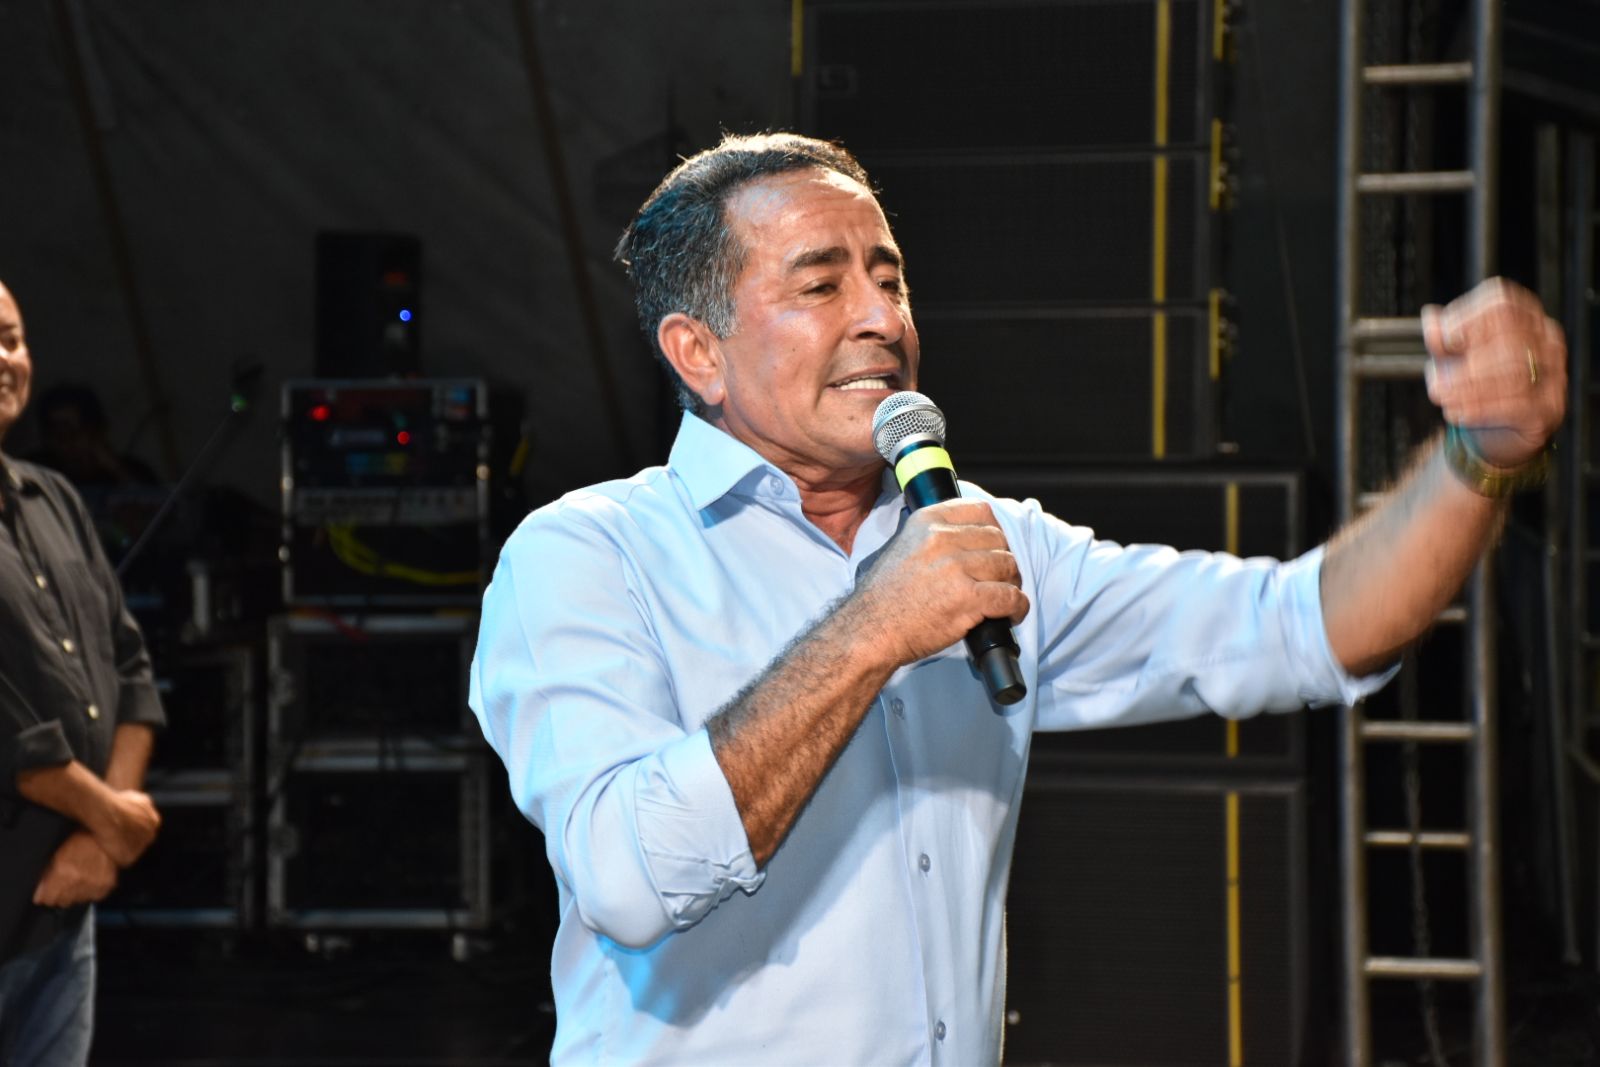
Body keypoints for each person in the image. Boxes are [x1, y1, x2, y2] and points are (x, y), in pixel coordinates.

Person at [468, 133, 1566, 1065]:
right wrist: (872, 629)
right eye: (821, 284)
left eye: (890, 278)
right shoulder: (585, 556)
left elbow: (1300, 626)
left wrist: (1479, 454)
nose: (882, 318)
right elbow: (628, 879)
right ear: (697, 353)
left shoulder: (983, 541)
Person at [0, 280, 165, 1066]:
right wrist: (116, 820)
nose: (4, 358)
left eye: (11, 338)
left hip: (65, 903)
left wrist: (105, 835)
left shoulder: (56, 498)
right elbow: (14, 737)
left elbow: (131, 669)